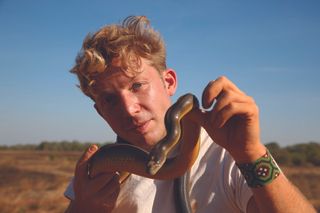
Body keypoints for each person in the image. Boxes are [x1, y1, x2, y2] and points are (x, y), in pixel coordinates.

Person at [64, 15, 316, 213]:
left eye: (137, 85)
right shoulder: (97, 174)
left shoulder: (227, 156)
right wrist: (82, 209)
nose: (129, 110)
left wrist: (251, 154)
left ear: (169, 82)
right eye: (109, 100)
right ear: (100, 111)